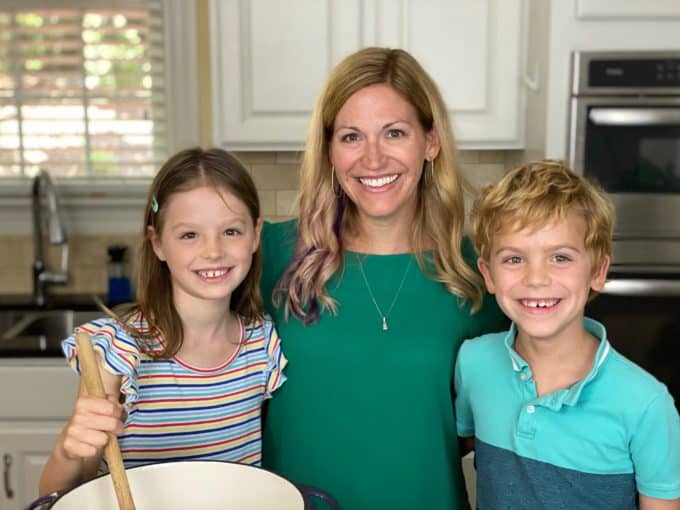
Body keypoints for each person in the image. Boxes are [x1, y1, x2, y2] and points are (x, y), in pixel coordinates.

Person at [260, 47, 507, 510]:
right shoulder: (274, 255)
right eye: (351, 137)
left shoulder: (482, 273)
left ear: (430, 141)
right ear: (330, 150)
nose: (373, 159)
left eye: (394, 133)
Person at [39, 147, 287, 495]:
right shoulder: (119, 353)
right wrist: (69, 446)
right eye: (189, 235)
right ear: (157, 243)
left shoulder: (263, 345)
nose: (213, 251)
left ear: (256, 235)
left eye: (231, 231)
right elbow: (55, 495)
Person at [455, 160, 680, 509]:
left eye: (560, 257)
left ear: (598, 270)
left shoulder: (646, 405)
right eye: (514, 259)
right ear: (488, 274)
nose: (536, 278)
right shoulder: (474, 362)